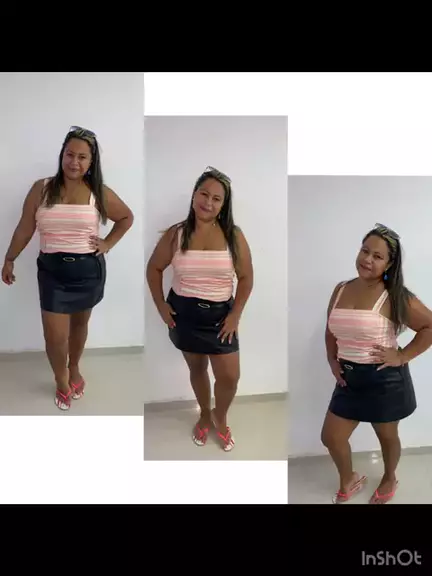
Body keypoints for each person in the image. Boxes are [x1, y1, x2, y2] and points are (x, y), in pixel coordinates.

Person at [1, 126, 134, 411]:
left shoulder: (98, 192)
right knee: (54, 336)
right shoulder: (41, 188)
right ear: (62, 155)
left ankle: (74, 367)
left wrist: (108, 243)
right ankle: (61, 379)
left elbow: (126, 217)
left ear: (91, 162)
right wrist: (10, 258)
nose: (74, 162)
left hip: (88, 271)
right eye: (69, 154)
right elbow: (25, 227)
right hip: (52, 272)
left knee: (80, 325)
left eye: (82, 157)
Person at [321, 223, 432, 504]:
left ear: (389, 264)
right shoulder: (341, 289)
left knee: (387, 436)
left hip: (384, 379)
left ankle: (389, 476)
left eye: (378, 256)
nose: (367, 259)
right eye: (365, 250)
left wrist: (402, 355)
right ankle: (348, 479)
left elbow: (429, 326)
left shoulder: (394, 295)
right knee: (331, 437)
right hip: (349, 378)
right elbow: (331, 331)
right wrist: (332, 361)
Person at [146, 166, 253, 451]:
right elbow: (154, 268)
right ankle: (205, 413)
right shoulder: (176, 234)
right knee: (197, 368)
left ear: (223, 205)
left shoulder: (233, 236)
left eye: (216, 198)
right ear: (194, 195)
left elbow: (246, 278)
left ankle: (220, 416)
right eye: (204, 194)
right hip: (184, 315)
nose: (208, 202)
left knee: (229, 377)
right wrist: (161, 306)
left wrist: (235, 315)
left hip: (221, 317)